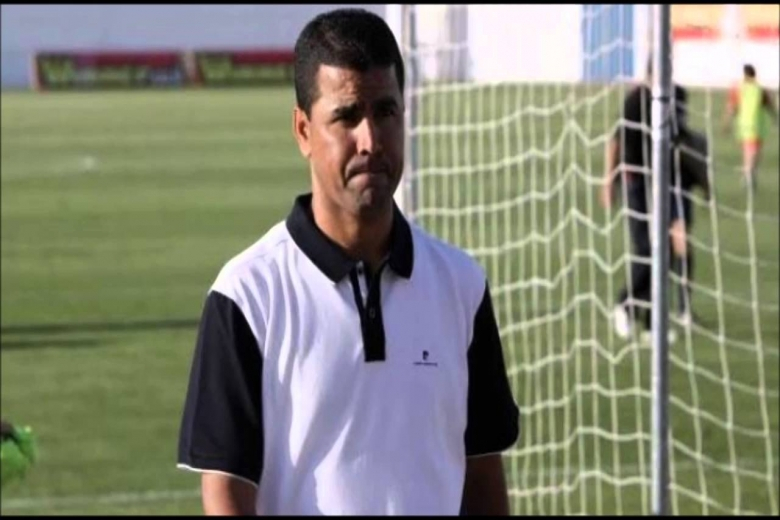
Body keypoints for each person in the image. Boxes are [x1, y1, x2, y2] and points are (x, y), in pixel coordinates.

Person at [177, 8, 519, 516]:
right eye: (347, 116)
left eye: (385, 112)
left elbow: (483, 473)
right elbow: (226, 490)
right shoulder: (246, 295)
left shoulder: (461, 284)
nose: (371, 140)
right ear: (303, 130)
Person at [600, 57, 708, 339]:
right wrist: (608, 181)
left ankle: (654, 322)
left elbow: (682, 137)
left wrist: (700, 175)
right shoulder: (635, 101)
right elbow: (616, 140)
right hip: (637, 181)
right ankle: (625, 304)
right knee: (648, 249)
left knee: (671, 248)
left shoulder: (678, 96)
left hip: (668, 180)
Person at [722, 64, 778, 190]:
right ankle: (749, 174)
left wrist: (726, 123)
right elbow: (769, 105)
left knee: (747, 152)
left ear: (744, 74)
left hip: (742, 125)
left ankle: (749, 174)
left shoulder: (738, 88)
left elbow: (731, 107)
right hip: (756, 125)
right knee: (754, 152)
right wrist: (775, 117)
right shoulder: (759, 89)